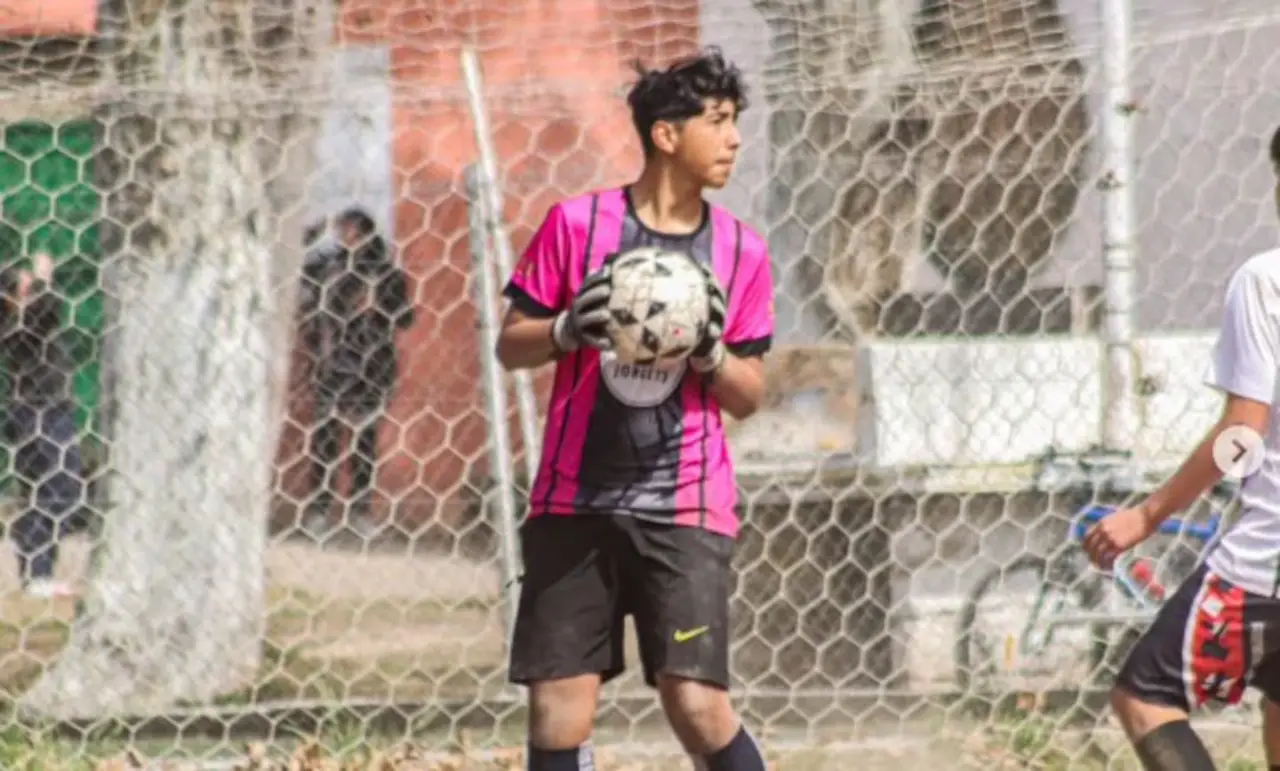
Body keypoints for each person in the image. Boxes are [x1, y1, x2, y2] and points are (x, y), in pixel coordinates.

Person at [495, 47, 773, 771]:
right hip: (573, 500)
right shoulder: (576, 225)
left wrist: (712, 356)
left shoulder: (741, 250)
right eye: (719, 121)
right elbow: (510, 344)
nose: (735, 139)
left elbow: (749, 394)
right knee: (558, 710)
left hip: (685, 507)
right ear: (666, 134)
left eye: (736, 122)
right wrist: (565, 329)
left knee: (697, 701)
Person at [1081, 125, 1280, 770]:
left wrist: (1148, 513)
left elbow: (1243, 432)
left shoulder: (1266, 281)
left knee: (1146, 696)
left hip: (1265, 567)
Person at [298, 207, 414, 541]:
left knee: (364, 441)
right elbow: (299, 277)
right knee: (325, 440)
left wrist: (378, 307)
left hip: (372, 365)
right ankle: (320, 510)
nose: (340, 235)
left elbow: (406, 318)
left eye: (345, 229)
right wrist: (308, 236)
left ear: (362, 232)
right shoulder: (329, 267)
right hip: (333, 362)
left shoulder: (386, 273)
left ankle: (360, 512)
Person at [0, 252, 85, 599]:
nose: (29, 285)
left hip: (38, 411)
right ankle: (38, 574)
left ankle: (38, 574)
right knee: (58, 488)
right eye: (24, 285)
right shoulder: (18, 325)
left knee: (43, 491)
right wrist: (45, 278)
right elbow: (48, 310)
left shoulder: (21, 322)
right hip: (40, 412)